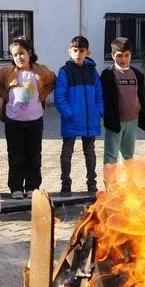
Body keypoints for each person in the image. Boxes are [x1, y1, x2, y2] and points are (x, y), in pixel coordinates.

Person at [0, 35, 55, 199]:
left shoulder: (40, 71)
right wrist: (5, 98)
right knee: (15, 155)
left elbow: (52, 80)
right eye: (15, 55)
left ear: (29, 52)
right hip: (13, 122)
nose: (18, 57)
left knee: (34, 154)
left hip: (35, 121)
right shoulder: (6, 72)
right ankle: (16, 188)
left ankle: (32, 186)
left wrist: (42, 95)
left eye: (21, 53)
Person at [54, 35, 103, 195]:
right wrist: (68, 113)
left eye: (82, 51)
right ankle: (66, 183)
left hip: (90, 121)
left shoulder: (92, 71)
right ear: (69, 51)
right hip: (72, 120)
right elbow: (59, 96)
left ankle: (91, 183)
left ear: (88, 52)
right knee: (67, 152)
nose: (78, 54)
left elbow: (99, 94)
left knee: (90, 152)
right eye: (75, 51)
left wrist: (99, 111)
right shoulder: (65, 71)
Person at [99, 37, 145, 177]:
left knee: (128, 155)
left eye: (127, 55)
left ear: (131, 54)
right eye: (119, 55)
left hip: (132, 121)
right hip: (115, 122)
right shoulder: (108, 74)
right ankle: (110, 187)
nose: (123, 59)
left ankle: (129, 186)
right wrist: (108, 117)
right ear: (113, 55)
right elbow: (104, 98)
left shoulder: (137, 74)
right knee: (111, 156)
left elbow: (141, 97)